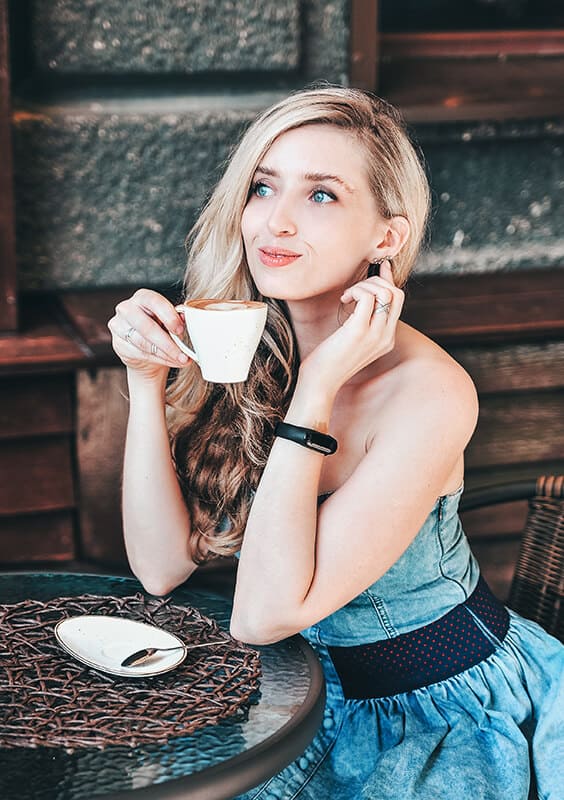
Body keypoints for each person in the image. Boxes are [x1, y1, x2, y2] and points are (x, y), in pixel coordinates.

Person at [108, 85, 563, 800]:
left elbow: (261, 615)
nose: (275, 222)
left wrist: (316, 389)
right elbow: (161, 566)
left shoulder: (430, 393)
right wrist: (143, 382)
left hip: (437, 715)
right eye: (263, 187)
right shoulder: (248, 344)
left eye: (321, 196)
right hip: (291, 702)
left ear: (387, 237)